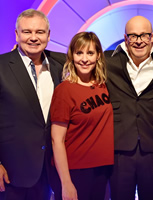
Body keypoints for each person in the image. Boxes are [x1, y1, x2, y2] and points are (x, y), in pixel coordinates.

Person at [0, 9, 63, 200]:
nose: (33, 38)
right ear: (17, 34)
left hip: (45, 173)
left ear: (49, 35)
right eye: (27, 32)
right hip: (6, 173)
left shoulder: (59, 65)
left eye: (40, 32)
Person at [104, 16, 153, 200]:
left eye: (143, 35)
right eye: (133, 36)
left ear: (152, 36)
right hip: (119, 147)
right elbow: (75, 55)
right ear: (125, 38)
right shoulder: (107, 60)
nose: (139, 41)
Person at [49, 32, 114, 200]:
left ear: (98, 55)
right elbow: (57, 140)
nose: (84, 59)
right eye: (79, 53)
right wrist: (66, 182)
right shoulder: (64, 90)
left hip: (102, 170)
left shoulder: (104, 85)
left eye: (90, 53)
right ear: (72, 56)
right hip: (74, 172)